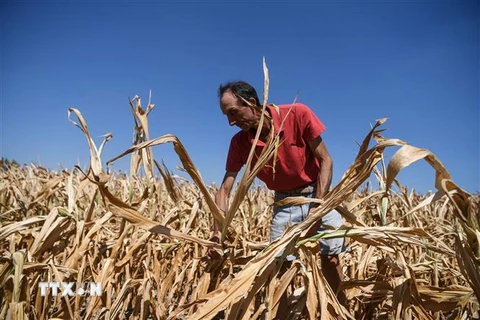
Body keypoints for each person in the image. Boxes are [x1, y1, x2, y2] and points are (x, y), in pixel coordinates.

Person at [210, 80, 346, 304]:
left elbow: (326, 160)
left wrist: (317, 209)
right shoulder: (239, 143)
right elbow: (225, 190)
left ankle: (341, 311)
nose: (231, 122)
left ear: (252, 103)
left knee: (330, 258)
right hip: (284, 204)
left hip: (317, 194)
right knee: (281, 265)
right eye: (226, 115)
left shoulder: (297, 114)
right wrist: (217, 233)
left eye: (233, 113)